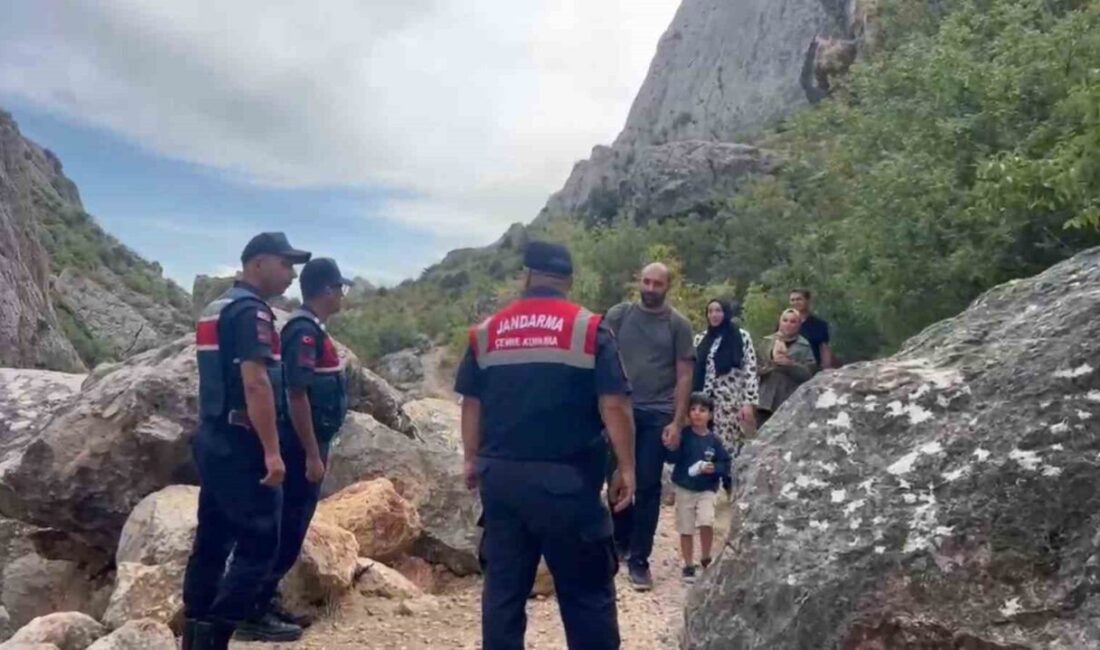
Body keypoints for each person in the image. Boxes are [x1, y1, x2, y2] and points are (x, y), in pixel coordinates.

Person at [455, 240, 636, 650]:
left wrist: (470, 459)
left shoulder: (486, 332)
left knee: (503, 593)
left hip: (501, 482)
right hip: (568, 483)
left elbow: (471, 403)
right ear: (568, 280)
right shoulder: (589, 328)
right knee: (587, 595)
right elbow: (615, 404)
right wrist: (627, 467)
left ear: (526, 275)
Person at [181, 232, 311, 650]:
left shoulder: (216, 307)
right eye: (286, 264)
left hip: (212, 434)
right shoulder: (251, 312)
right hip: (241, 440)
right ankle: (215, 638)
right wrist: (273, 452)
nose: (292, 274)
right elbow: (255, 383)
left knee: (212, 540)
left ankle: (196, 629)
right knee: (259, 541)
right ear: (258, 263)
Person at [243, 258, 353, 639]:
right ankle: (252, 612)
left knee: (294, 524)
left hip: (310, 442)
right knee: (287, 526)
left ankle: (265, 599)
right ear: (327, 290)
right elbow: (296, 393)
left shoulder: (311, 328)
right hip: (300, 445)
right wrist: (310, 453)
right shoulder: (303, 331)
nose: (342, 295)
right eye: (340, 288)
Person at [603, 262, 695, 591]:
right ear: (638, 282)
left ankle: (640, 560)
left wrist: (677, 421)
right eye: (646, 281)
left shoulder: (678, 325)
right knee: (614, 479)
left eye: (658, 283)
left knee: (647, 485)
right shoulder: (620, 315)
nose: (651, 288)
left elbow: (685, 374)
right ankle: (618, 544)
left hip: (657, 413)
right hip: (619, 411)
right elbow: (598, 353)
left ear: (668, 286)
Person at [666, 392, 730, 584]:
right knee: (686, 527)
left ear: (710, 415)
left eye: (702, 410)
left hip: (707, 489)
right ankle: (687, 563)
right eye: (693, 409)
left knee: (706, 521)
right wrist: (672, 446)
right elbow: (672, 458)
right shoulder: (684, 436)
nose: (697, 413)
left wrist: (715, 469)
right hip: (685, 487)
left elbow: (726, 464)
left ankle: (706, 556)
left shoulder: (714, 441)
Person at [692, 299, 758, 475]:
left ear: (726, 313)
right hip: (704, 400)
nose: (714, 315)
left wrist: (748, 402)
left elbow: (750, 369)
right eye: (710, 311)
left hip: (729, 399)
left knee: (726, 443)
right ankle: (706, 483)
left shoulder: (740, 336)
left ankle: (728, 481)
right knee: (703, 441)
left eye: (718, 311)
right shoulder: (700, 339)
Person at [756, 308, 818, 426]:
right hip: (764, 399)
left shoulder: (804, 346)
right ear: (779, 322)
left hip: (788, 399)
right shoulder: (766, 341)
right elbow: (754, 367)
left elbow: (809, 375)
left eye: (793, 321)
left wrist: (790, 365)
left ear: (799, 325)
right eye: (785, 320)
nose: (788, 324)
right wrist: (770, 365)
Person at [789, 288, 834, 369]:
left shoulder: (819, 324)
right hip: (788, 369)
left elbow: (824, 348)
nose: (795, 302)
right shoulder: (785, 323)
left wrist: (826, 369)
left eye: (799, 299)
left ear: (807, 300)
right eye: (792, 300)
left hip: (812, 369)